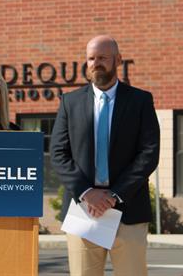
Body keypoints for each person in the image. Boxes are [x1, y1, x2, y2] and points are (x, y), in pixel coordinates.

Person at [50, 35, 160, 276]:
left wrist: (113, 195)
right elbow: (58, 153)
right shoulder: (70, 102)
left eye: (102, 58)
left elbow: (149, 154)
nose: (95, 63)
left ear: (118, 60)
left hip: (127, 209)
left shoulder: (141, 100)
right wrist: (88, 193)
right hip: (83, 211)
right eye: (91, 58)